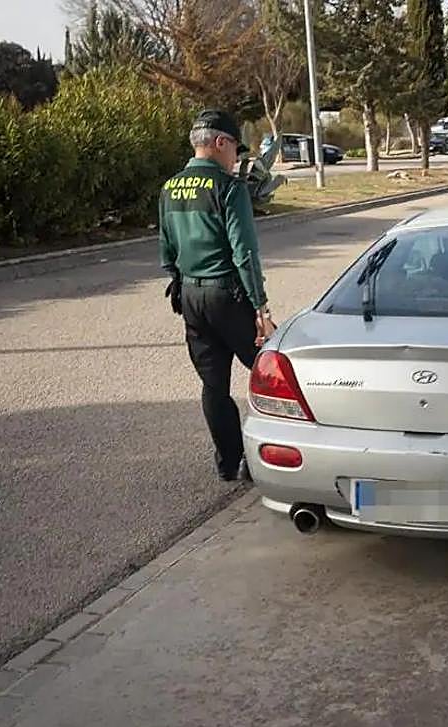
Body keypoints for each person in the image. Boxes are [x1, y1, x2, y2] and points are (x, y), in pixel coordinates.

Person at [160, 109, 276, 482]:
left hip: (190, 295)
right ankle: (278, 456)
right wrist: (260, 307)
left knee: (213, 385)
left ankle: (229, 463)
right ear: (220, 143)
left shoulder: (169, 188)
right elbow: (244, 253)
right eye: (236, 152)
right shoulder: (229, 188)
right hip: (228, 295)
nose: (237, 160)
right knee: (271, 371)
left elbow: (167, 252)